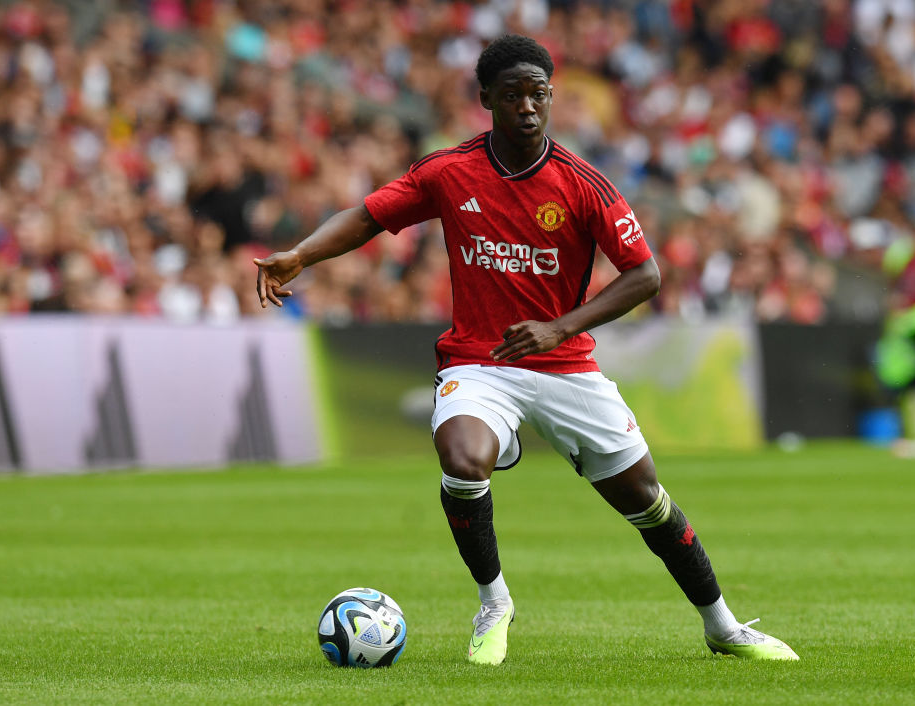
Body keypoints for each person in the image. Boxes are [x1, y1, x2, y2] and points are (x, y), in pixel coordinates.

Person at [255, 35, 798, 665]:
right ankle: (494, 602)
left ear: (550, 97)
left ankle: (723, 626)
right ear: (486, 99)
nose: (528, 107)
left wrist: (559, 327)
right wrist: (301, 254)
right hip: (480, 361)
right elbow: (370, 215)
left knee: (647, 501)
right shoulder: (449, 171)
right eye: (512, 95)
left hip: (564, 364)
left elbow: (645, 274)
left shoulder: (582, 183)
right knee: (461, 460)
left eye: (538, 94)